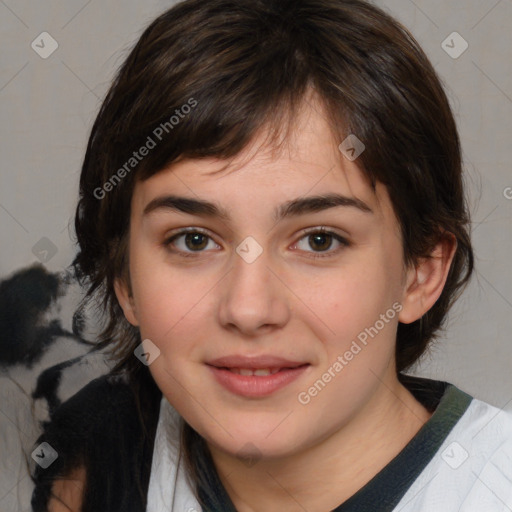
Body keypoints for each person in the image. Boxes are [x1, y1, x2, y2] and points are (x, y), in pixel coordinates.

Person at [30, 0, 512, 511]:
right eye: (193, 240)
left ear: (420, 272)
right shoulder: (99, 452)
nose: (249, 309)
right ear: (124, 277)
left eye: (319, 240)